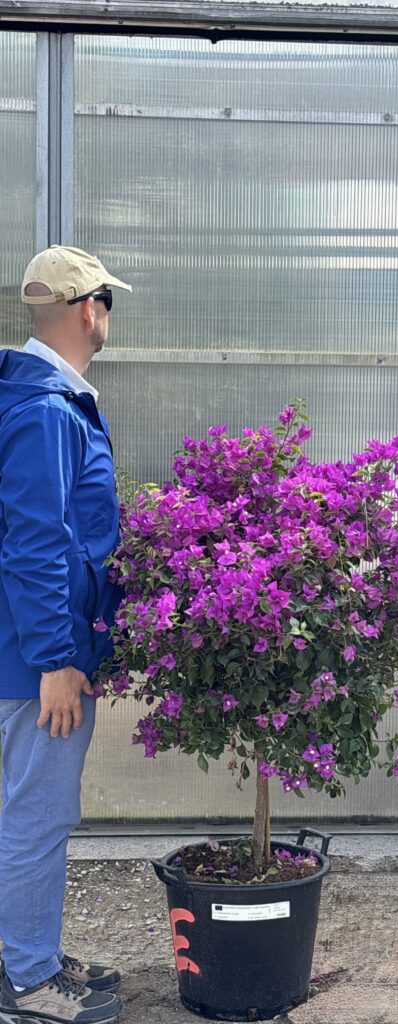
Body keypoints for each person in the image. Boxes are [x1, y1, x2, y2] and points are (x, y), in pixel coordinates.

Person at [0, 245, 131, 1024]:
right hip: (34, 662)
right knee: (37, 816)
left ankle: (27, 950)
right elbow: (38, 541)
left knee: (23, 811)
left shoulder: (42, 399)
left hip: (27, 652)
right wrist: (56, 659)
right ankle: (30, 982)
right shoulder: (49, 408)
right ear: (91, 310)